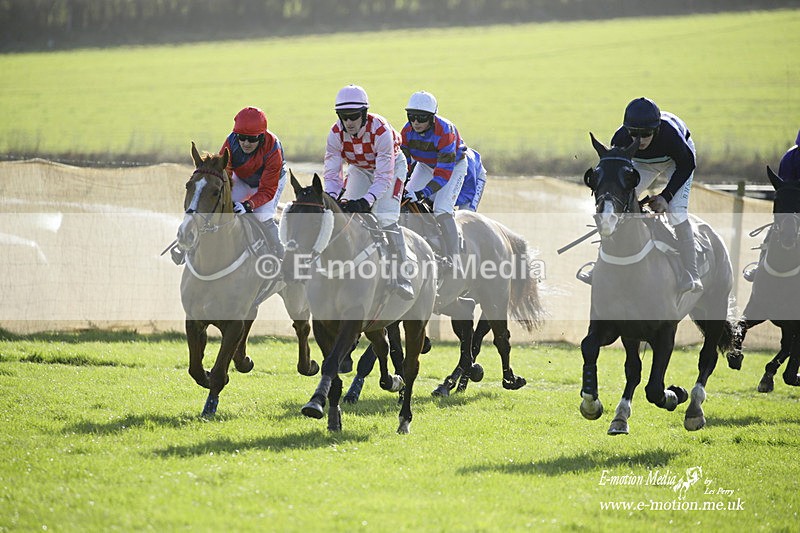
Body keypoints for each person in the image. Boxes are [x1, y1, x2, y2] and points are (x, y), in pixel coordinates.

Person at [322, 84, 414, 300]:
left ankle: (402, 275)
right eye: (343, 116)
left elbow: (383, 176)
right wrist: (333, 198)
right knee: (345, 215)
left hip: (392, 168)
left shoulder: (380, 130)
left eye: (354, 116)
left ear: (364, 114)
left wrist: (367, 200)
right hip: (360, 168)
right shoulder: (335, 134)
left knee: (385, 217)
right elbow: (332, 174)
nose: (349, 122)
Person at [610, 97, 702, 293]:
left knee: (676, 212)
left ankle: (691, 273)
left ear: (657, 130)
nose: (639, 140)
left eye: (646, 134)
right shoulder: (619, 139)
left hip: (676, 162)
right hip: (642, 164)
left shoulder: (671, 136)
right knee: (619, 205)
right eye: (634, 134)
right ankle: (606, 263)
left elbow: (687, 165)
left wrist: (665, 197)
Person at [401, 90, 467, 273]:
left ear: (432, 118)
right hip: (425, 165)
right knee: (404, 199)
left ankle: (455, 260)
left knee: (441, 209)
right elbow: (403, 165)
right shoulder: (406, 131)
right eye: (411, 116)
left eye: (421, 118)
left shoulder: (445, 130)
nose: (415, 122)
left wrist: (423, 193)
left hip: (452, 166)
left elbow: (443, 173)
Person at [220, 106, 286, 258]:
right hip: (242, 178)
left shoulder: (273, 148)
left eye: (252, 139)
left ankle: (279, 254)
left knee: (261, 215)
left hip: (269, 183)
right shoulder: (230, 142)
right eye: (241, 137)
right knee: (224, 209)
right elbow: (224, 174)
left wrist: (248, 205)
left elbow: (267, 190)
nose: (245, 143)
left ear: (262, 137)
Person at [744, 128, 800, 281]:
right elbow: (786, 192)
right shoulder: (791, 157)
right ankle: (762, 263)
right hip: (795, 206)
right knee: (781, 223)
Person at [455, 147, 487, 212]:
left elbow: (468, 193)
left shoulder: (467, 165)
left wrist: (450, 202)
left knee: (466, 213)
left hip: (476, 178)